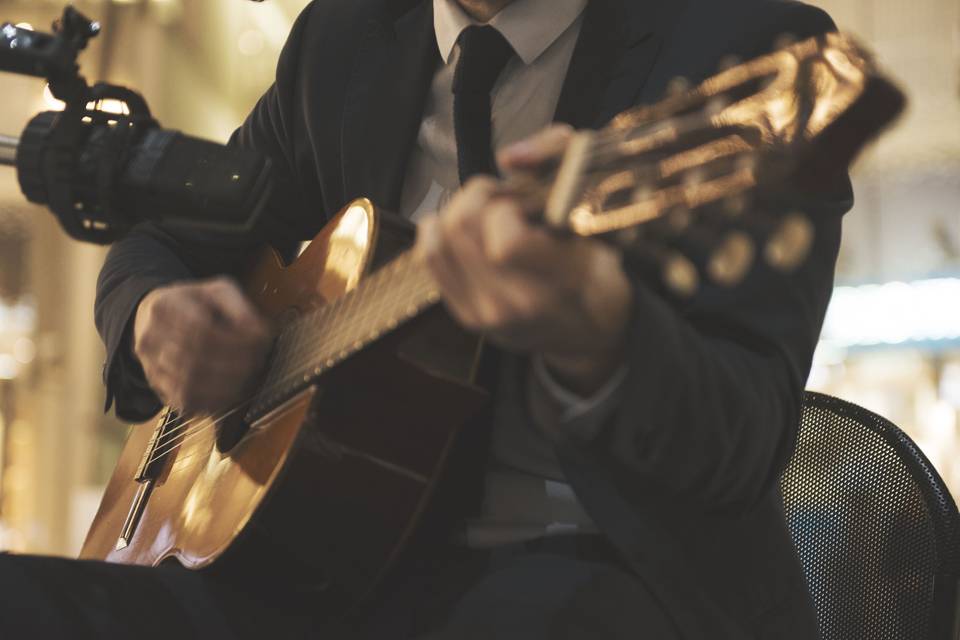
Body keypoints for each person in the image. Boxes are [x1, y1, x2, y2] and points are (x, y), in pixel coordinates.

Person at [0, 0, 853, 637]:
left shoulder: (742, 46)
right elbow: (161, 240)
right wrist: (154, 315)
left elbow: (742, 436)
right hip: (302, 565)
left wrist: (599, 325)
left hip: (587, 563)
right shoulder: (345, 43)